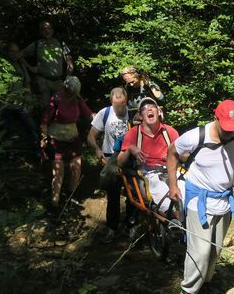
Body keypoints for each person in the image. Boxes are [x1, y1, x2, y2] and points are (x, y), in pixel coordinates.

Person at [167, 99, 234, 294]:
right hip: (198, 200)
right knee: (200, 250)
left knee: (215, 249)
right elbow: (172, 152)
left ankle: (205, 279)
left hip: (224, 199)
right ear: (216, 119)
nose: (230, 133)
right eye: (226, 128)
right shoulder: (196, 137)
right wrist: (173, 184)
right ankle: (188, 291)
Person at [117, 97, 180, 216]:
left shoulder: (170, 132)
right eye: (145, 108)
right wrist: (130, 149)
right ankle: (174, 223)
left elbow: (182, 156)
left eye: (153, 106)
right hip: (148, 173)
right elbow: (120, 163)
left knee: (187, 193)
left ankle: (185, 220)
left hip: (171, 170)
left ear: (158, 111)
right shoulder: (134, 133)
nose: (149, 109)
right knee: (164, 200)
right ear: (140, 116)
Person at [40, 76, 94, 212]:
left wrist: (104, 117)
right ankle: (55, 203)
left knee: (76, 168)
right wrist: (43, 137)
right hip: (55, 139)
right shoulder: (56, 99)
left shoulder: (77, 99)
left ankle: (71, 197)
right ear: (65, 89)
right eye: (71, 92)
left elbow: (89, 114)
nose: (73, 95)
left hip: (73, 138)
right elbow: (45, 120)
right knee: (59, 172)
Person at [87, 87, 131, 243]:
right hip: (109, 158)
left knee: (133, 193)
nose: (120, 108)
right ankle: (112, 228)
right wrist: (98, 151)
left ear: (126, 100)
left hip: (129, 159)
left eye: (123, 104)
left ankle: (130, 226)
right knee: (113, 196)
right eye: (116, 104)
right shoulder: (104, 113)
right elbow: (91, 136)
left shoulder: (133, 111)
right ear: (111, 101)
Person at [0, 42, 41, 159]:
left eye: (17, 51)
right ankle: (9, 153)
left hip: (21, 104)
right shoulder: (2, 66)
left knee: (31, 127)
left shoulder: (20, 65)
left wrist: (29, 100)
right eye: (12, 51)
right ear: (7, 53)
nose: (14, 54)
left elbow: (27, 83)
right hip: (6, 105)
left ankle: (37, 152)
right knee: (8, 130)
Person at [22, 20, 74, 108]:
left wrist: (69, 62)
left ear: (53, 30)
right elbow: (20, 55)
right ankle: (44, 122)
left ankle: (57, 122)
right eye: (43, 29)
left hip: (58, 82)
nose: (47, 31)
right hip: (43, 82)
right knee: (44, 107)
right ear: (40, 32)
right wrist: (29, 67)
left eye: (49, 28)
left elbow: (67, 55)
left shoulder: (60, 43)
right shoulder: (37, 44)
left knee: (60, 106)